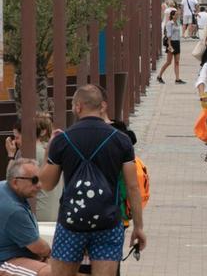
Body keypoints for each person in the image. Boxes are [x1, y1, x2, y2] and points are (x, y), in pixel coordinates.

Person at [39, 85, 147, 276]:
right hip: (108, 223)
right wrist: (138, 227)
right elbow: (132, 187)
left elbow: (47, 185)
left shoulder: (63, 140)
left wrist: (49, 152)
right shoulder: (121, 140)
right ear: (102, 107)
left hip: (70, 223)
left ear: (78, 107)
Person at [1, 158, 52, 276]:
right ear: (15, 182)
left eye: (40, 179)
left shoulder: (5, 187)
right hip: (5, 260)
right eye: (34, 180)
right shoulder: (13, 209)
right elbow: (40, 248)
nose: (39, 185)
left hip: (16, 254)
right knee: (55, 272)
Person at [157, 10, 184, 84]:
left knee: (177, 62)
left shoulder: (178, 23)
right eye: (176, 15)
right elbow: (169, 35)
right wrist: (169, 45)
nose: (177, 16)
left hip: (177, 42)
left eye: (178, 14)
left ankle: (177, 79)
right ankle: (159, 76)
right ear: (172, 16)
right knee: (169, 62)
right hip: (171, 42)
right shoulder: (170, 23)